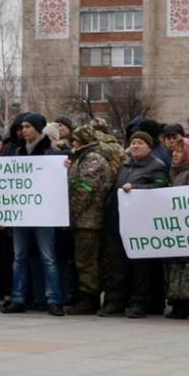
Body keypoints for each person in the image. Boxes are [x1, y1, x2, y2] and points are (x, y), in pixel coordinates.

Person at [6, 112, 64, 314]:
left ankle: (53, 299)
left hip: (44, 213)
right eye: (22, 127)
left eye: (28, 127)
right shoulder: (18, 153)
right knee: (19, 257)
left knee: (48, 257)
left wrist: (65, 167)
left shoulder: (53, 154)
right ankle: (18, 298)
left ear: (39, 129)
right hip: (21, 213)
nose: (24, 130)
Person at [112, 128, 169, 318]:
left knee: (142, 267)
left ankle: (142, 302)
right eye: (133, 142)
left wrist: (136, 188)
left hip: (144, 224)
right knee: (122, 264)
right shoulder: (125, 165)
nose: (135, 146)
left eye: (140, 143)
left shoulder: (156, 166)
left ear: (149, 147)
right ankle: (125, 299)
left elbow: (160, 187)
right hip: (125, 223)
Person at [66, 124, 122, 314]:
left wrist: (70, 213)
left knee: (86, 261)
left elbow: (85, 190)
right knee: (83, 259)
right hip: (83, 218)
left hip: (89, 220)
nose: (72, 143)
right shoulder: (82, 158)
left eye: (75, 140)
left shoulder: (93, 160)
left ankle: (89, 298)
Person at [159, 128, 189, 318]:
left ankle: (188, 305)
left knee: (188, 269)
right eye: (174, 151)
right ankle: (177, 302)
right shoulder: (175, 172)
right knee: (174, 267)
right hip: (176, 229)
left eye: (179, 151)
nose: (175, 155)